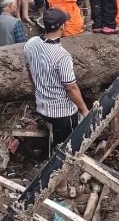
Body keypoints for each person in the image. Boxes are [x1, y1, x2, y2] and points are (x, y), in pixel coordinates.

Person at [23, 8, 90, 146]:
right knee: (66, 146)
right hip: (62, 113)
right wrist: (84, 110)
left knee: (54, 138)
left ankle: (49, 149)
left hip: (42, 106)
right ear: (62, 26)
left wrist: (38, 89)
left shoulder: (31, 43)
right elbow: (70, 87)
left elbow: (29, 70)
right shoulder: (62, 56)